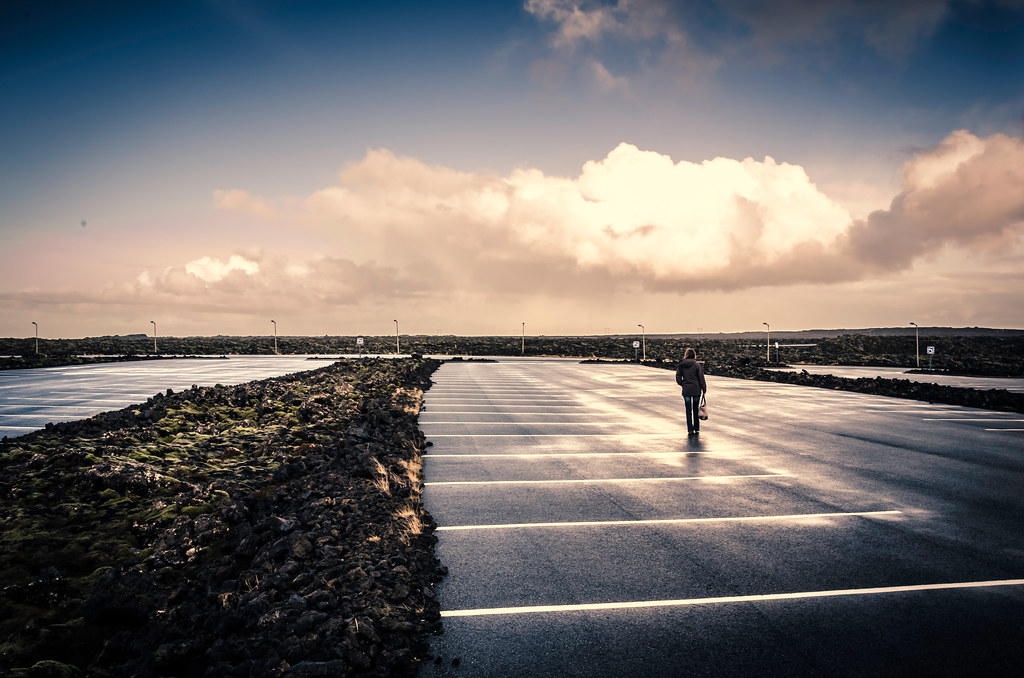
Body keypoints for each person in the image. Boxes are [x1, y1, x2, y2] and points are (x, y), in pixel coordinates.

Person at [675, 347, 707, 435]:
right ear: (694, 355)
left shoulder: (681, 365)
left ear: (686, 355)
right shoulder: (697, 365)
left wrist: (683, 384)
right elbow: (701, 378)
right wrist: (704, 388)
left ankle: (690, 429)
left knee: (688, 410)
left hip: (686, 390)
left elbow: (678, 377)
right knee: (696, 409)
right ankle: (697, 428)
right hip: (696, 389)